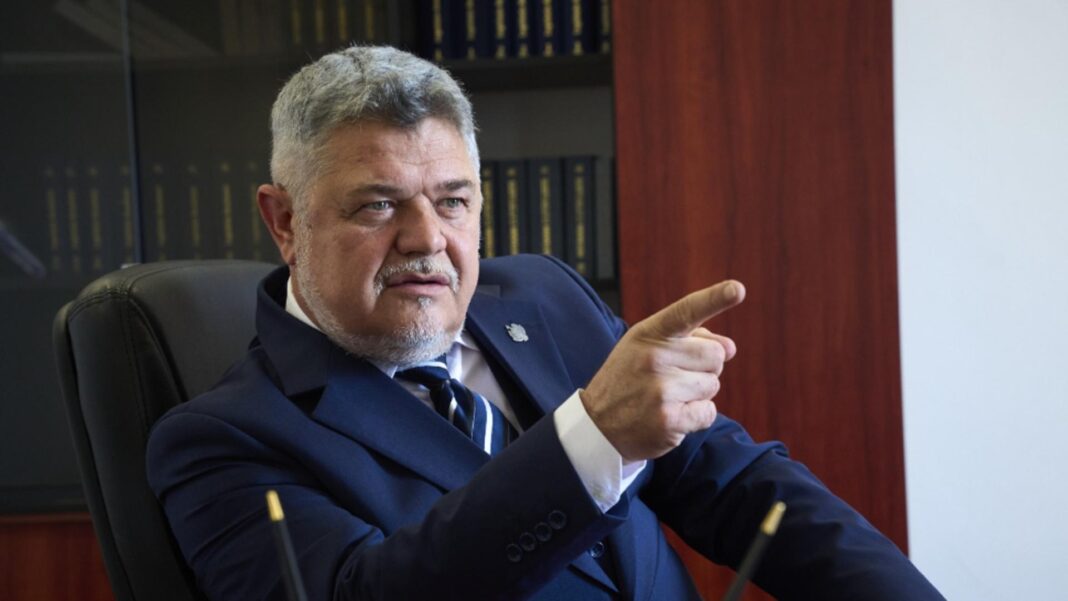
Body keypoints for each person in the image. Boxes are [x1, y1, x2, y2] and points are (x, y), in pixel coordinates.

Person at [146, 45, 943, 600]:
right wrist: (592, 438)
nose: (428, 239)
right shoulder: (220, 440)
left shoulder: (542, 297)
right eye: (379, 205)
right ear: (285, 221)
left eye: (453, 200)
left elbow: (736, 483)